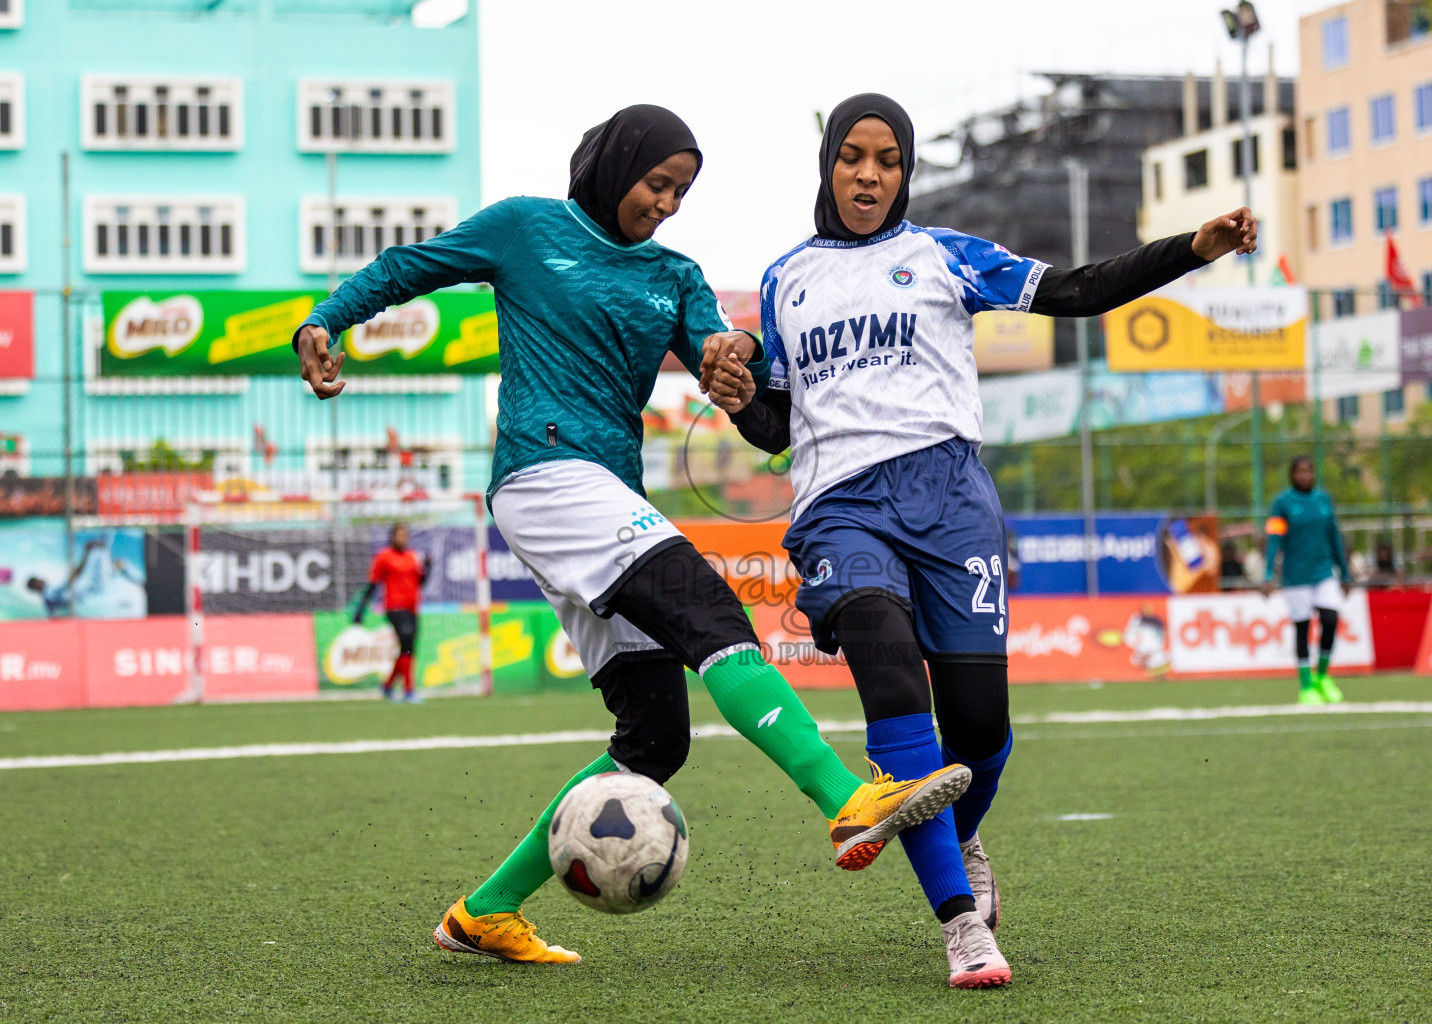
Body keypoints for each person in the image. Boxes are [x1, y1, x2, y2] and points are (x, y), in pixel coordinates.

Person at [293, 104, 969, 969]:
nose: (667, 204)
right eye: (657, 184)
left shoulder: (676, 274)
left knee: (655, 740)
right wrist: (325, 319)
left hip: (604, 492)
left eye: (682, 191)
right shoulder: (524, 229)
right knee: (709, 610)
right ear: (614, 167)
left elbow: (728, 356)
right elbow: (405, 268)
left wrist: (733, 356)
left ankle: (484, 912)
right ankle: (845, 798)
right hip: (543, 476)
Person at [703, 92, 1256, 988]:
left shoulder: (944, 257)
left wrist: (1192, 250)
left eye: (887, 159)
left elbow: (1077, 291)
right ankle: (962, 923)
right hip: (841, 503)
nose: (869, 174)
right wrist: (739, 402)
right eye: (853, 156)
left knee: (981, 732)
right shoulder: (784, 279)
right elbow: (777, 425)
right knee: (885, 658)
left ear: (906, 169)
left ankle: (958, 836)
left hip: (951, 498)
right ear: (829, 165)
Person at [1259, 455, 1350, 704]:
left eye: (1308, 471)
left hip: (1323, 572)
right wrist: (1267, 575)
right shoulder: (1282, 503)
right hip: (1296, 576)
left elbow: (1334, 535)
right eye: (1300, 471)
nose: (1304, 476)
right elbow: (1274, 540)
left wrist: (1345, 572)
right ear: (1292, 475)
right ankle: (1306, 686)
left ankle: (1322, 676)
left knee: (1330, 619)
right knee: (1303, 628)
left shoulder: (1323, 499)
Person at [354, 522, 431, 703]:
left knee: (408, 648)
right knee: (407, 644)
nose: (402, 538)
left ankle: (387, 686)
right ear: (392, 537)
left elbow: (420, 583)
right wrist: (361, 610)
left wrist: (429, 568)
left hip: (412, 608)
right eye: (399, 535)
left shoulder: (413, 557)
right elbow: (372, 585)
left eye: (405, 535)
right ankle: (409, 691)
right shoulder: (384, 557)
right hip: (394, 608)